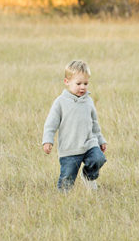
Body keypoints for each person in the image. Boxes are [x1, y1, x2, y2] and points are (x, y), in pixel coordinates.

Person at [42, 59, 107, 192]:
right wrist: (47, 140)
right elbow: (51, 123)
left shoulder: (88, 101)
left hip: (89, 144)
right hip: (70, 148)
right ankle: (64, 199)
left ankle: (88, 176)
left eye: (86, 83)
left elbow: (94, 123)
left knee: (99, 159)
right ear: (67, 82)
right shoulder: (60, 102)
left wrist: (100, 140)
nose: (83, 87)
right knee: (67, 179)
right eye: (78, 83)